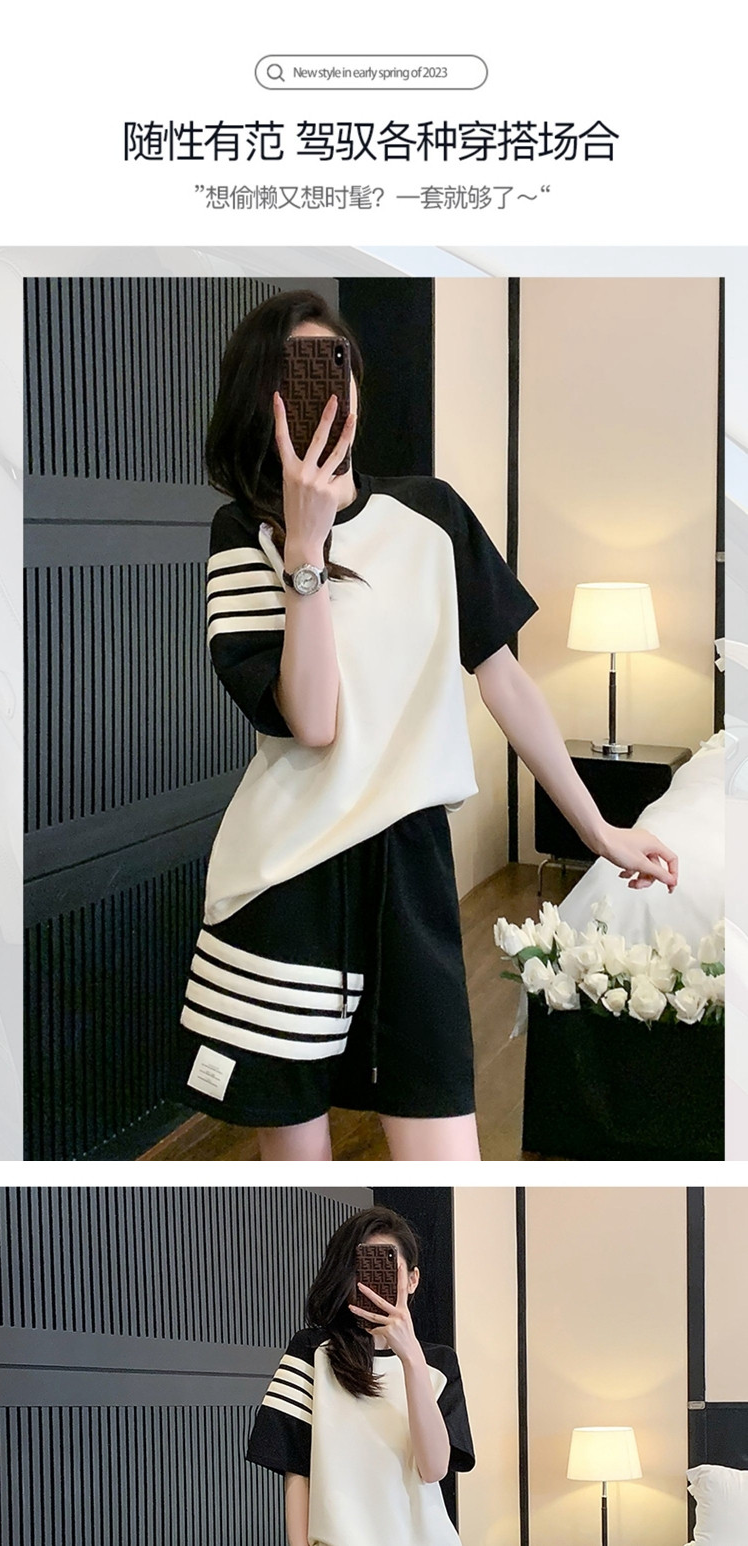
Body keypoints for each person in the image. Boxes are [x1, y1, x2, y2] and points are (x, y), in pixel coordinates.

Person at [176, 288, 678, 1162]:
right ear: (263, 397)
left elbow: (504, 679)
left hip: (410, 869)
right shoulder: (241, 534)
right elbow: (314, 721)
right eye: (297, 371)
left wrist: (599, 829)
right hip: (289, 885)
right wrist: (305, 552)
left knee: (449, 1160)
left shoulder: (432, 515)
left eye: (336, 364)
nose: (325, 387)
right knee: (301, 1179)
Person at [247, 1206, 475, 1546]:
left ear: (412, 1279)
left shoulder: (438, 1363)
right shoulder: (312, 1351)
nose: (371, 1281)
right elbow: (296, 1467)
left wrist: (411, 1358)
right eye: (360, 1268)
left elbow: (434, 1469)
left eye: (387, 1266)